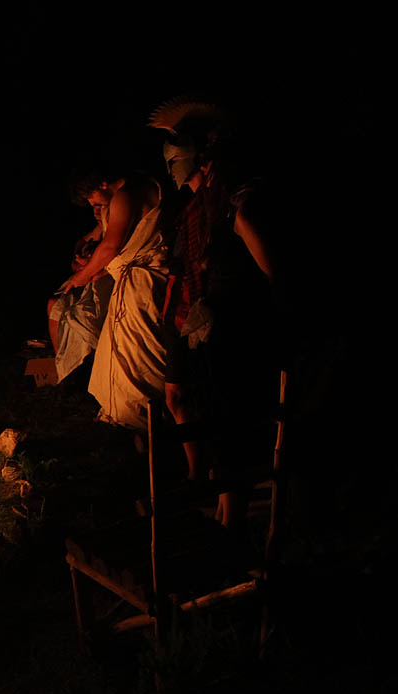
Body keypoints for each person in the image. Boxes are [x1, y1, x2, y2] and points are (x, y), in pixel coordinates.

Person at [149, 99, 278, 526]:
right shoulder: (196, 209)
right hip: (207, 338)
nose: (171, 167)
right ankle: (225, 522)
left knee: (233, 436)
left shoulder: (234, 204)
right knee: (218, 434)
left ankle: (234, 528)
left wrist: (238, 310)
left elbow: (272, 272)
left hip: (235, 336)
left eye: (176, 155)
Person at [63, 172, 169, 430]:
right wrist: (94, 272)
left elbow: (111, 246)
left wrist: (82, 276)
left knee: (141, 349)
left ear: (101, 183)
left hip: (142, 283)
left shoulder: (126, 195)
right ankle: (129, 416)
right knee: (125, 349)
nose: (93, 206)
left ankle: (148, 418)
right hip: (133, 281)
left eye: (92, 198)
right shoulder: (138, 190)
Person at [47, 201, 113, 382]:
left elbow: (110, 261)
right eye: (94, 209)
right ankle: (62, 361)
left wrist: (90, 268)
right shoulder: (98, 230)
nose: (97, 213)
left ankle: (87, 367)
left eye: (100, 208)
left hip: (103, 277)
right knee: (55, 306)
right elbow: (79, 251)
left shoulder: (115, 227)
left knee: (80, 316)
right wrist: (82, 263)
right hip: (86, 278)